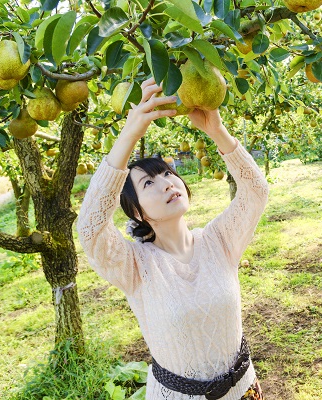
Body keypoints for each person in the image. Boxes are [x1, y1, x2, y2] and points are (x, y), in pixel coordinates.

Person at [77, 77, 269, 400]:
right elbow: (90, 230)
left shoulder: (218, 240)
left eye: (167, 173)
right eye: (148, 184)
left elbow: (256, 191)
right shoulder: (136, 265)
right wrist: (130, 134)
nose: (166, 183)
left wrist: (216, 131)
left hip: (243, 390)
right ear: (137, 213)